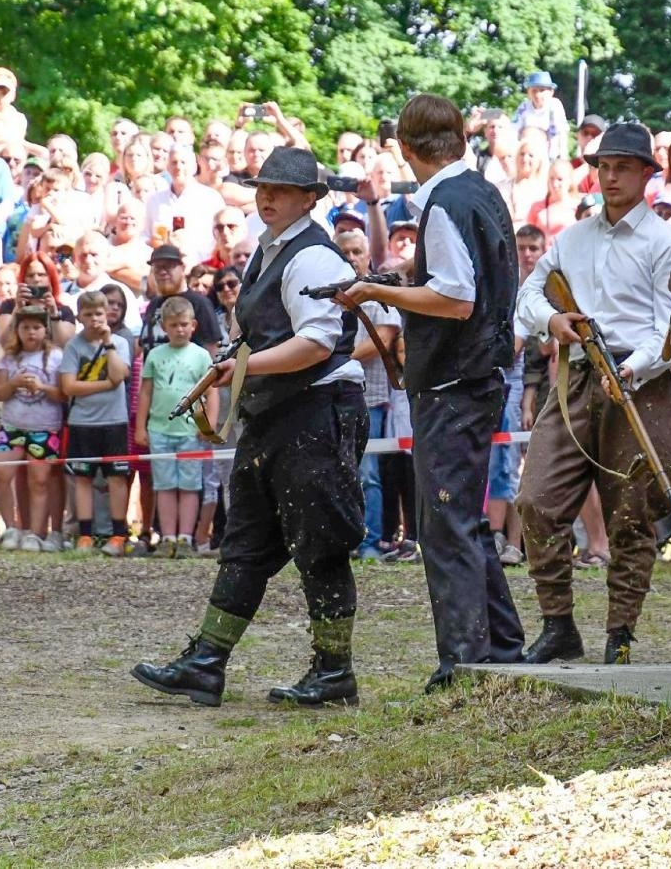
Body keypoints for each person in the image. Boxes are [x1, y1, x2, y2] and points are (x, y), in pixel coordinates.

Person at [132, 148, 368, 707]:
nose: (267, 197)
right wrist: (238, 359)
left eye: (281, 190)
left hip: (317, 410)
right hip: (277, 414)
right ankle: (207, 663)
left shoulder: (312, 257)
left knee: (321, 544)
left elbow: (316, 343)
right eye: (262, 187)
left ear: (310, 199)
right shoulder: (270, 251)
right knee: (246, 543)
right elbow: (270, 337)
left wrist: (237, 367)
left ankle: (335, 671)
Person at [343, 95, 525, 691]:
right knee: (462, 519)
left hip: (452, 379)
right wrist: (401, 283)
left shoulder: (443, 204)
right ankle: (499, 644)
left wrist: (379, 292)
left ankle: (463, 661)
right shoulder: (483, 191)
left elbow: (455, 298)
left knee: (444, 522)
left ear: (407, 149)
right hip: (478, 374)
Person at [514, 124, 671, 665]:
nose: (610, 177)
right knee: (536, 500)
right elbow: (528, 296)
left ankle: (621, 634)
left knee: (632, 514)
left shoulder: (667, 243)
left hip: (641, 383)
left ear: (646, 175)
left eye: (623, 168)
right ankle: (558, 624)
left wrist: (630, 371)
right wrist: (554, 319)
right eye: (603, 166)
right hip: (578, 377)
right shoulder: (572, 237)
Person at [334, 230, 402, 562]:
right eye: (344, 251)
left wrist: (338, 360)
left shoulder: (379, 295)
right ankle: (344, 539)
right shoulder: (326, 296)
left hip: (370, 398)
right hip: (332, 397)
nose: (350, 257)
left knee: (368, 473)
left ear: (367, 256)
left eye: (356, 251)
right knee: (339, 472)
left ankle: (371, 542)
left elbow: (384, 339)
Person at [133, 297, 214, 558]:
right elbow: (145, 392)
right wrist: (141, 428)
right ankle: (167, 536)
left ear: (193, 325)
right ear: (164, 328)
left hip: (190, 431)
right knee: (164, 485)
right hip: (159, 430)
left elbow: (210, 393)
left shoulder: (201, 356)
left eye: (183, 324)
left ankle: (185, 538)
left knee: (189, 485)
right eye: (173, 325)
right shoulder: (155, 355)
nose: (179, 329)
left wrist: (209, 424)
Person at [59, 291, 133, 550]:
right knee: (82, 478)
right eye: (88, 314)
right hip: (82, 422)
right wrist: (105, 385)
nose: (94, 319)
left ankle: (118, 534)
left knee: (116, 478)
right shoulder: (74, 346)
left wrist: (108, 342)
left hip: (114, 421)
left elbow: (120, 373)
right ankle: (86, 533)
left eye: (98, 314)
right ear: (79, 317)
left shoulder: (121, 343)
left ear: (107, 315)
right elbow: (69, 386)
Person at [0, 307, 66, 552]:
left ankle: (36, 533)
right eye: (25, 327)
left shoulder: (56, 357)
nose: (31, 332)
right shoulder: (9, 358)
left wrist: (42, 387)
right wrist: (14, 383)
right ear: (17, 330)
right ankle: (12, 528)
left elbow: (63, 394)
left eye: (36, 327)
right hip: (12, 426)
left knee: (40, 481)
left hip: (45, 427)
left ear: (45, 330)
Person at [512, 71, 570, 162]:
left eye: (542, 90)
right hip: (526, 155)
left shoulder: (555, 106)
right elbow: (513, 131)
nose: (537, 95)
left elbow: (561, 134)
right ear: (528, 92)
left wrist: (563, 160)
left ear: (551, 92)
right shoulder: (524, 106)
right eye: (534, 90)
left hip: (549, 157)